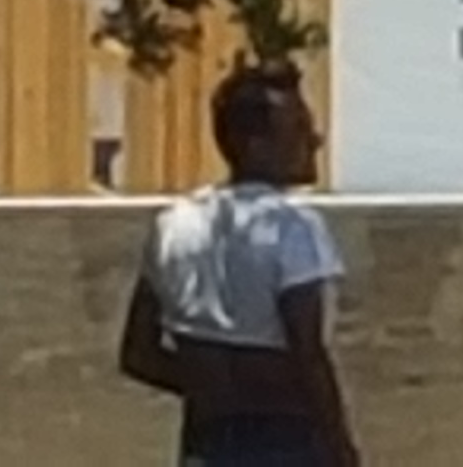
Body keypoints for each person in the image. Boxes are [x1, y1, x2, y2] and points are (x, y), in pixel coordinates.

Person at [115, 68, 364, 467]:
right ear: (255, 145)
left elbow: (139, 354)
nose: (314, 141)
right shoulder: (292, 227)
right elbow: (307, 353)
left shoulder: (173, 226)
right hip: (288, 440)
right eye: (298, 130)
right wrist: (341, 448)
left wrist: (214, 386)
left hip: (206, 438)